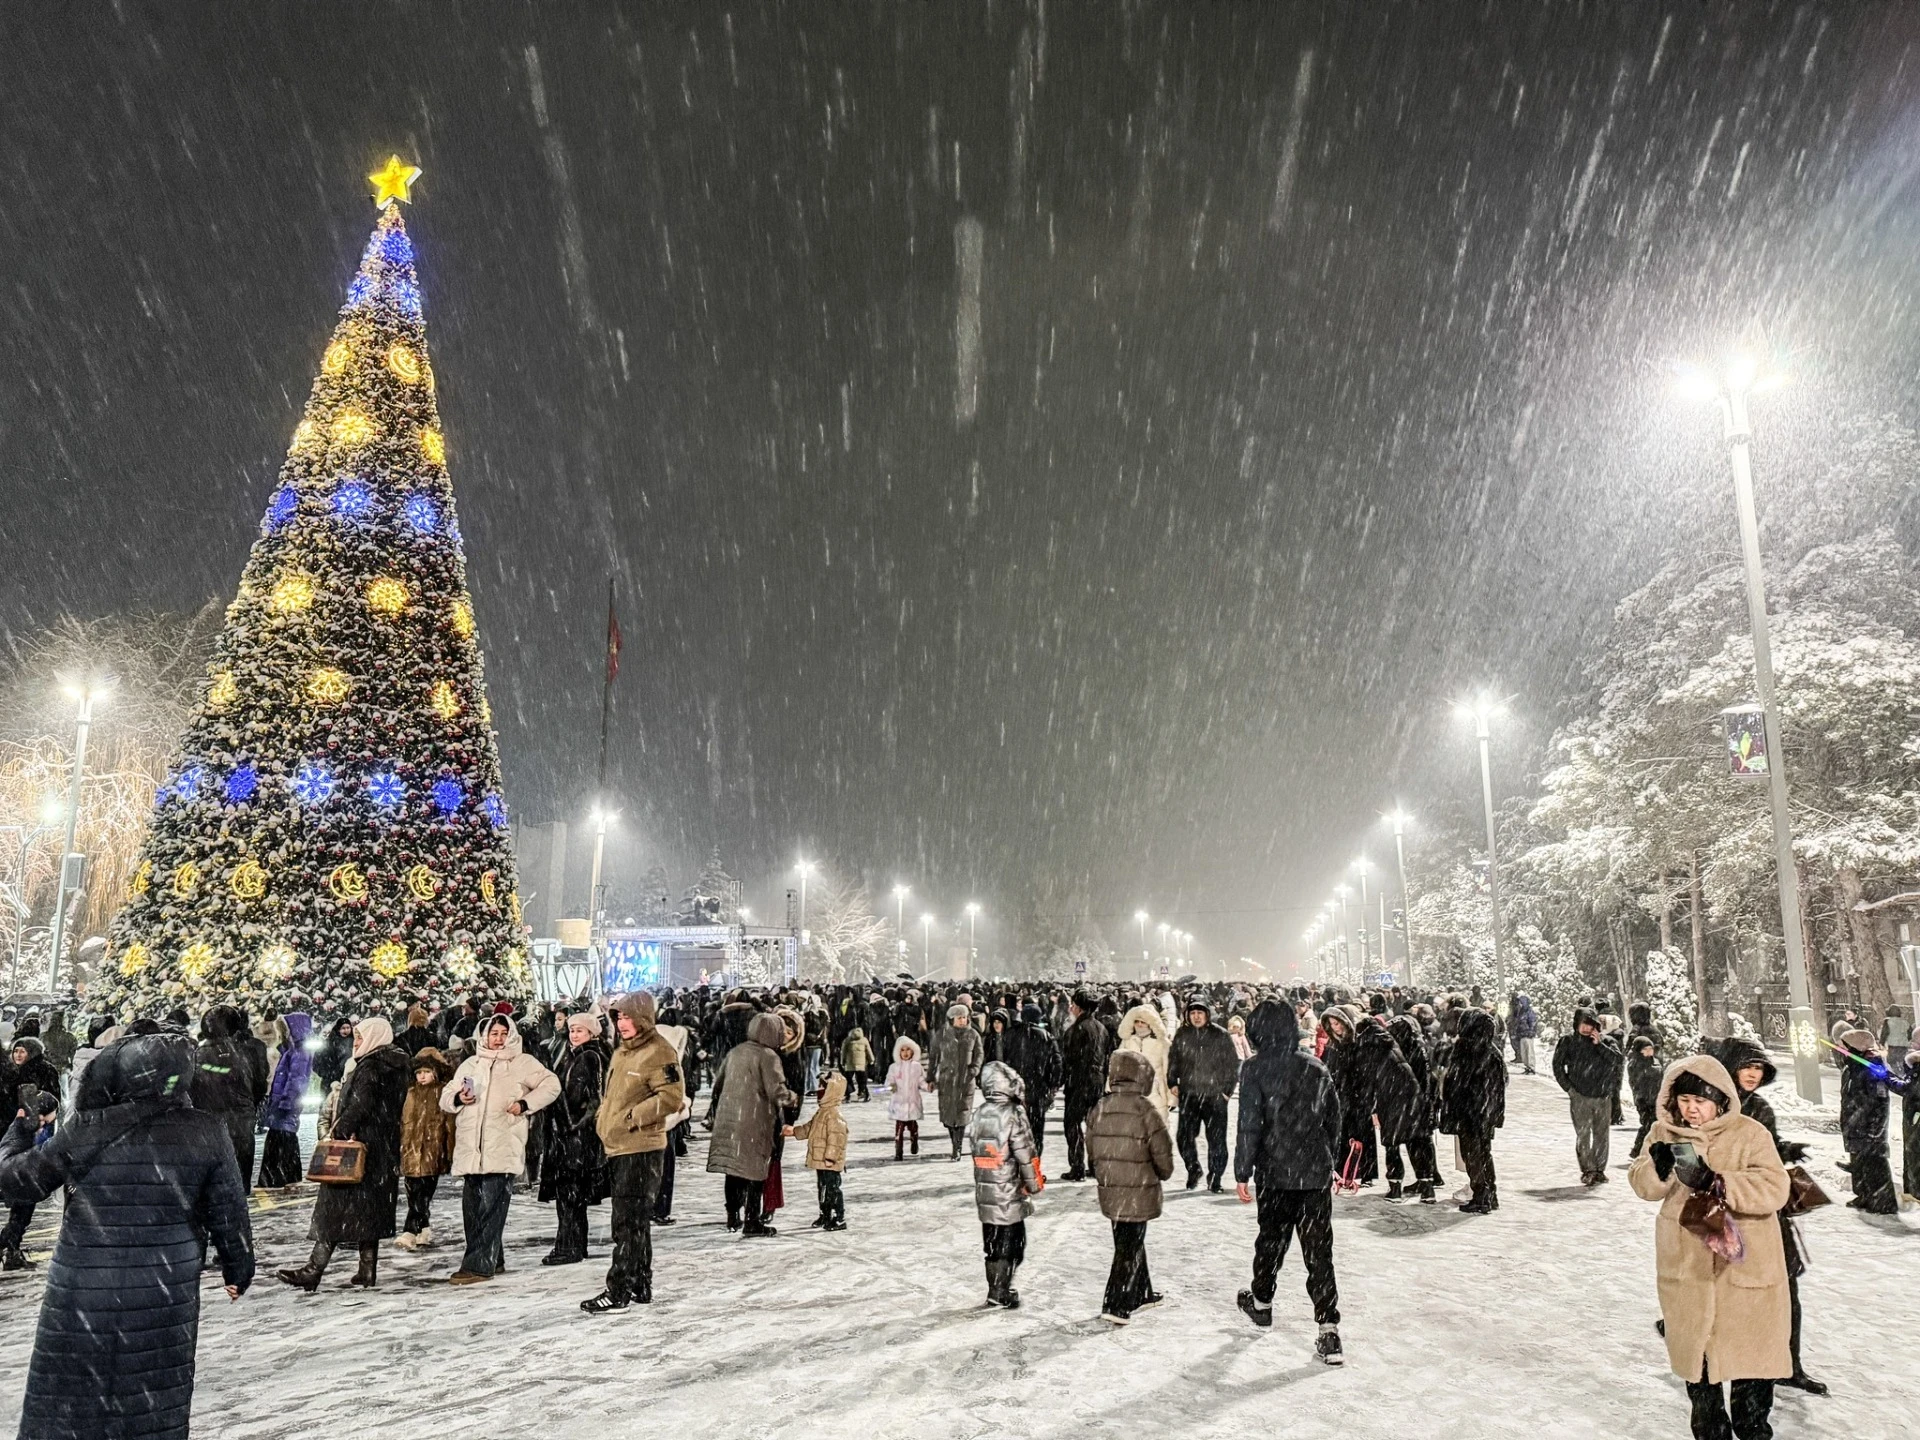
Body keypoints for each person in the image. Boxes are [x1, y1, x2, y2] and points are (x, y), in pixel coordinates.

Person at [0, 1032, 253, 1440]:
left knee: (71, 1399)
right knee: (150, 1395)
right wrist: (238, 1269)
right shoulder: (205, 1130)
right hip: (163, 1288)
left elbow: (16, 1179)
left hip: (85, 1289)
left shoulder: (86, 1127)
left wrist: (20, 1129)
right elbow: (228, 1210)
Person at [1629, 1055, 1791, 1440]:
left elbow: (1775, 1188)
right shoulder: (1663, 1132)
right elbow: (1644, 1187)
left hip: (1744, 1268)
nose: (1691, 1109)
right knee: (1701, 1381)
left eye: (1700, 1101)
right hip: (1688, 1267)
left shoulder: (1750, 1133)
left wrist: (1717, 1182)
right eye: (1684, 1100)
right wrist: (1657, 1169)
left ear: (1720, 1100)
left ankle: (1753, 1430)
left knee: (1752, 1380)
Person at [1712, 1037, 1825, 1395]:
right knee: (1717, 1284)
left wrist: (1786, 1149)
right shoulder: (1710, 1105)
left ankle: (1789, 1364)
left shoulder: (1760, 1107)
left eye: (1758, 1068)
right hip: (1723, 1210)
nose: (1752, 1074)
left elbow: (1767, 1149)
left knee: (1785, 1288)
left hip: (1766, 1213)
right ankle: (1691, 1331)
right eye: (1746, 1066)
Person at [1232, 1000, 1344, 1361]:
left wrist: (1242, 1171)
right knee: (1318, 1251)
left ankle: (1262, 1303)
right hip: (1313, 1174)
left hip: (1276, 1173)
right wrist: (1328, 1159)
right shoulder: (1315, 1067)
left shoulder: (1255, 1068)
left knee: (1270, 1242)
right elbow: (1333, 1120)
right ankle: (1328, 1329)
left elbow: (1249, 1124)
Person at [278, 1017, 409, 1291]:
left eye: (360, 1037)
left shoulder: (370, 1067)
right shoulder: (394, 1065)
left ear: (373, 1038)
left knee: (334, 1209)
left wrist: (338, 1131)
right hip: (381, 1150)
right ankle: (366, 1270)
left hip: (357, 1148)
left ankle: (313, 1270)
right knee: (368, 1212)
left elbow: (360, 1105)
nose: (355, 1042)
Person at [583, 992, 686, 1311]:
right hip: (620, 1146)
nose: (622, 1023)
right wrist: (605, 1118)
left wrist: (632, 1118)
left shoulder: (659, 1051)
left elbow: (671, 1097)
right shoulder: (623, 1052)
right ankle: (640, 1283)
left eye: (628, 1017)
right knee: (635, 1221)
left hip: (641, 1149)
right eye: (619, 1018)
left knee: (627, 1222)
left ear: (643, 1019)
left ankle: (619, 1290)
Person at [442, 1013, 561, 1284]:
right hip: (472, 1148)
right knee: (473, 1210)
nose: (498, 1039)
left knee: (491, 1209)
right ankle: (493, 1258)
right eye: (494, 1033)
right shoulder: (471, 1064)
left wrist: (525, 1104)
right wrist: (458, 1098)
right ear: (484, 1036)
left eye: (503, 1034)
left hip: (502, 1145)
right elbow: (446, 1096)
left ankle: (478, 1265)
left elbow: (551, 1085)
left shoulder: (522, 1062)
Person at [1084, 1049, 1174, 1325]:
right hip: (1139, 1187)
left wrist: (1102, 1171)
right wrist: (1163, 1172)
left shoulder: (1101, 1107)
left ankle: (1141, 1293)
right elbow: (1162, 1150)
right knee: (1128, 1246)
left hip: (1112, 1185)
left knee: (1128, 1239)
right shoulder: (1145, 1109)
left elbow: (1091, 1146)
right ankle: (1116, 1303)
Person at [706, 1010, 793, 1237]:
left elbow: (718, 1084)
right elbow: (776, 1091)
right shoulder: (768, 1056)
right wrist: (793, 1098)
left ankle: (732, 1214)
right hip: (755, 1122)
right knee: (756, 1171)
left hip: (730, 1119)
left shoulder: (736, 1052)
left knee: (733, 1169)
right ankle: (752, 1220)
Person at [969, 1059, 1043, 1308]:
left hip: (986, 1189)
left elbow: (975, 1147)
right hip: (1009, 1189)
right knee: (1013, 1242)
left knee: (992, 1243)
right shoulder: (1014, 1114)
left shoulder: (980, 1113)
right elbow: (1025, 1153)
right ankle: (1000, 1289)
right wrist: (1034, 1183)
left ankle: (996, 1287)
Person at [540, 1012, 609, 1267]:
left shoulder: (588, 1057)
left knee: (569, 1194)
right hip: (576, 1137)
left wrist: (570, 1124)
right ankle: (574, 1245)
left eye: (580, 1031)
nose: (574, 1035)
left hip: (576, 1139)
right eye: (572, 1030)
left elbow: (584, 1098)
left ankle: (569, 1246)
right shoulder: (581, 1055)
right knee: (573, 1196)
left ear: (591, 1033)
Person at [1832, 1021, 1909, 1213]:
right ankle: (1864, 1196)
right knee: (1859, 1164)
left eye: (1845, 1046)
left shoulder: (1871, 1068)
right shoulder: (1851, 1067)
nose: (1842, 1050)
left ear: (1855, 1048)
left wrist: (1875, 1128)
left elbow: (1880, 1102)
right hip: (1855, 1124)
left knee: (1875, 1165)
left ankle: (1883, 1203)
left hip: (1868, 1128)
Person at [1167, 999, 1240, 1192]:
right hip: (1189, 1094)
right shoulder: (1182, 1034)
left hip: (1214, 1096)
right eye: (1192, 1013)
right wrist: (1172, 1081)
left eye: (1200, 1013)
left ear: (1207, 1014)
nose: (1196, 1017)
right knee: (1184, 1137)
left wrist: (1226, 1091)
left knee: (1216, 1140)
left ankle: (1215, 1176)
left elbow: (1232, 1065)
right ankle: (1193, 1168)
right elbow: (1174, 1058)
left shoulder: (1220, 1035)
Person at [1438, 1008, 1507, 1213]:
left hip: (1471, 1113)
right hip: (1480, 1113)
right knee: (1482, 1154)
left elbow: (1461, 1083)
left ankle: (1482, 1196)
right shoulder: (1489, 1051)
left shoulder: (1470, 1051)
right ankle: (1488, 1194)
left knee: (1473, 1155)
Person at [194, 1004, 265, 1190]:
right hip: (241, 1118)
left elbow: (192, 1090)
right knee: (240, 1177)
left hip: (208, 1120)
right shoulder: (249, 1051)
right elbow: (260, 1085)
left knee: (213, 1179)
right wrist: (249, 1104)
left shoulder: (197, 1055)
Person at [1553, 1006, 1626, 1186]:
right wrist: (1569, 1089)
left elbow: (1617, 1061)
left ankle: (1600, 1169)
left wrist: (1599, 1045)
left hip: (1603, 1096)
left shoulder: (1607, 1042)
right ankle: (1588, 1169)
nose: (1586, 1028)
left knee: (1602, 1134)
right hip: (1580, 1095)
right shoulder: (1568, 1042)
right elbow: (1558, 1066)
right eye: (1583, 1024)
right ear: (1576, 1024)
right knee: (1583, 1134)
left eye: (1590, 1024)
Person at [395, 1046, 457, 1250]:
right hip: (410, 1150)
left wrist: (450, 1153)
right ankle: (424, 1227)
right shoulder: (409, 1093)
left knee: (423, 1193)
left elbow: (449, 1125)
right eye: (419, 1072)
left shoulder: (443, 1092)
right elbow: (401, 1122)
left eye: (426, 1072)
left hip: (433, 1151)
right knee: (414, 1193)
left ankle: (409, 1231)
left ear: (435, 1072)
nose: (422, 1076)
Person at [1382, 1014, 1439, 1203]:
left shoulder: (1394, 1052)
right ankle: (1427, 1187)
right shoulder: (1422, 1048)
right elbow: (1429, 1078)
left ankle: (1395, 1188)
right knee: (1420, 1145)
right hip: (1419, 1104)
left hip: (1396, 1105)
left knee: (1393, 1145)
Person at [0, 1088, 59, 1270]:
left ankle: (12, 1252)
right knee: (22, 1213)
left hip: (14, 1174)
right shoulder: (28, 1125)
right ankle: (8, 1247)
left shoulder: (24, 1123)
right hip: (15, 1174)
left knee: (21, 1214)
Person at [1061, 992, 1115, 1181]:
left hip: (1079, 1082)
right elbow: (1108, 1055)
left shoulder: (1077, 1029)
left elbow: (1070, 1059)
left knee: (1072, 1124)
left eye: (1073, 1004)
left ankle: (1077, 1166)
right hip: (1097, 1081)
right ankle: (1095, 1165)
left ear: (1079, 1007)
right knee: (1094, 1126)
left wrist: (1064, 1079)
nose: (1071, 1007)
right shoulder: (1101, 1028)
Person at [787, 1069, 849, 1230]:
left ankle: (838, 1217)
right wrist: (794, 1131)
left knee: (832, 1189)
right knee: (823, 1188)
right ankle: (825, 1214)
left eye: (823, 1087)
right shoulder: (822, 1112)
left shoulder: (834, 1115)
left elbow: (836, 1139)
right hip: (821, 1160)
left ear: (832, 1091)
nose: (819, 1090)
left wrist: (830, 1158)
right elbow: (810, 1128)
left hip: (829, 1162)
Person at [258, 1011, 313, 1188]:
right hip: (282, 1103)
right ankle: (282, 1178)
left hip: (286, 1105)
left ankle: (277, 1179)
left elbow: (297, 1080)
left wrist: (286, 1102)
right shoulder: (291, 1051)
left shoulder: (299, 1053)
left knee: (281, 1141)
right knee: (281, 1140)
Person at [930, 1003, 985, 1159]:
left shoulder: (973, 1034)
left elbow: (979, 1054)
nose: (963, 1020)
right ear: (952, 1019)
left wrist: (974, 1070)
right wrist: (931, 1077)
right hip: (947, 1080)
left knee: (962, 1114)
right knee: (948, 1116)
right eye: (959, 1018)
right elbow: (934, 1056)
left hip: (965, 1080)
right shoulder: (942, 1034)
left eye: (965, 1017)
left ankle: (957, 1147)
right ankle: (954, 1140)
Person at [1118, 1003, 1172, 1121]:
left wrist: (1171, 1097)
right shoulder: (1127, 1042)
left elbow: (1167, 1071)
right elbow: (1118, 1066)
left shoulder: (1162, 1044)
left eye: (1143, 1022)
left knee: (1156, 1125)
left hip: (1155, 1092)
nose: (1139, 1024)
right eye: (1137, 1021)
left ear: (1150, 1024)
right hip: (1131, 1091)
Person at [885, 1035, 928, 1159]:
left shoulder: (916, 1067)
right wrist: (891, 1086)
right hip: (899, 1102)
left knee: (912, 1126)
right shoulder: (894, 1067)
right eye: (902, 1050)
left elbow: (921, 1081)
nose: (905, 1053)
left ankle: (914, 1140)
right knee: (899, 1128)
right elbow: (888, 1081)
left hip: (912, 1101)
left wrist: (927, 1086)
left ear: (913, 1051)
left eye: (908, 1049)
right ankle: (898, 1152)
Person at [1627, 1033, 1663, 1159]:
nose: (1649, 1052)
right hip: (1644, 1100)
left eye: (1650, 1049)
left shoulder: (1655, 1062)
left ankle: (1647, 1150)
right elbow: (1638, 1081)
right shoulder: (1635, 1064)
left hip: (1656, 1099)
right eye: (1645, 1049)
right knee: (1648, 1125)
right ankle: (1638, 1149)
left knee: (1654, 1125)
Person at [1507, 992, 1539, 1074]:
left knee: (1529, 1052)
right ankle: (1527, 1067)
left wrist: (1531, 1032)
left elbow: (1533, 1023)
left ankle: (1531, 1067)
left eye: (1521, 1002)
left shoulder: (1529, 1012)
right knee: (1524, 1053)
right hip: (1521, 1034)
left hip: (1528, 1035)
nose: (1520, 1004)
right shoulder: (1520, 1012)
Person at [839, 1025, 872, 1101]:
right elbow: (868, 1051)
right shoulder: (864, 1040)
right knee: (862, 1080)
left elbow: (843, 1052)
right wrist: (871, 1060)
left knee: (848, 1080)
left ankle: (848, 1095)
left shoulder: (847, 1040)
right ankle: (864, 1093)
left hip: (850, 1064)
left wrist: (842, 1061)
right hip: (861, 1064)